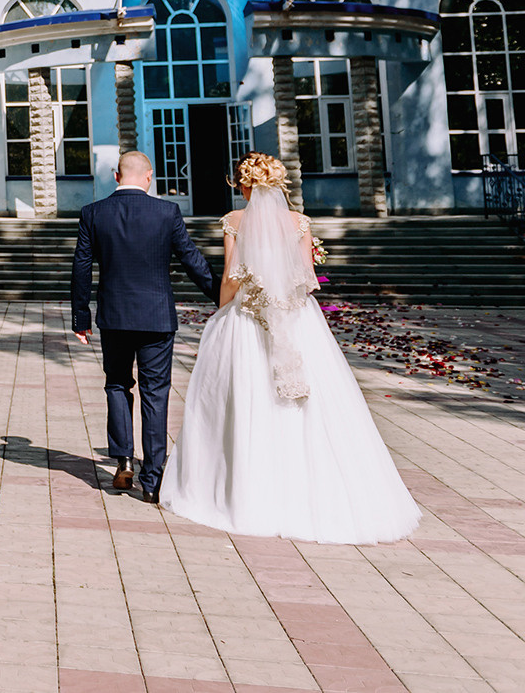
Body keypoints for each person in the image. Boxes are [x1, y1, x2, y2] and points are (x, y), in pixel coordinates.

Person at [162, 152, 420, 543]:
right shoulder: (299, 222)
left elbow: (232, 277)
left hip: (248, 318)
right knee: (313, 401)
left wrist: (223, 307)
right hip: (296, 319)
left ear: (245, 184)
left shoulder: (235, 221)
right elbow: (309, 279)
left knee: (243, 396)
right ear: (277, 185)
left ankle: (241, 489)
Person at [72, 149, 217, 504]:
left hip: (115, 316)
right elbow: (191, 259)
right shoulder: (167, 212)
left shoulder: (94, 213)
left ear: (116, 176)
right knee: (157, 392)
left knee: (117, 384)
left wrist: (81, 317)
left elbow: (81, 266)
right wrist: (221, 296)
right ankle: (152, 479)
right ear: (149, 177)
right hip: (155, 317)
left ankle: (123, 459)